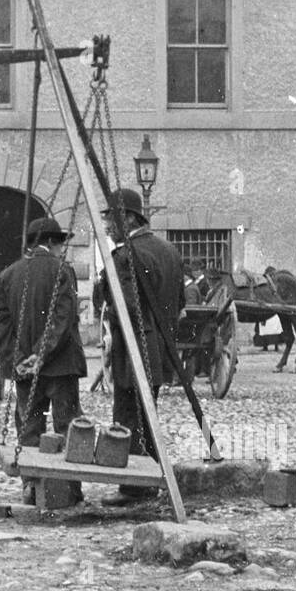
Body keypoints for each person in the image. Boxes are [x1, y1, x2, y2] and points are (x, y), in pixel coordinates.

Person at [0, 216, 88, 504]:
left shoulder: (8, 275)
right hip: (60, 365)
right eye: (60, 243)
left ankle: (32, 487)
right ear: (52, 243)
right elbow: (63, 318)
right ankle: (69, 488)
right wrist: (42, 355)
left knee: (29, 426)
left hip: (24, 370)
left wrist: (18, 359)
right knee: (67, 425)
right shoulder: (62, 271)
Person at [96, 187, 185, 501]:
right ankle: (150, 478)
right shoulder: (169, 251)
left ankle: (134, 487)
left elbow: (127, 308)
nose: (106, 225)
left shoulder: (124, 256)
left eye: (110, 219)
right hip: (159, 350)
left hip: (134, 351)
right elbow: (180, 303)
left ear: (128, 218)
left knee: (128, 417)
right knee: (148, 414)